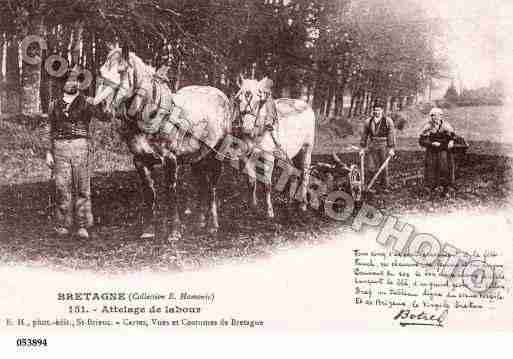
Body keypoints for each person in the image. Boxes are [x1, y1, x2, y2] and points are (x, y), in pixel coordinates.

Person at [45, 68, 110, 239]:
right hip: (59, 149)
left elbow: (106, 116)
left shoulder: (88, 102)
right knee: (62, 188)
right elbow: (50, 129)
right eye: (68, 80)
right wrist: (48, 152)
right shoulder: (54, 104)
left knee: (82, 188)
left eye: (75, 80)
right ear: (62, 84)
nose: (72, 83)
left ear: (79, 83)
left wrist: (103, 99)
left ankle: (83, 226)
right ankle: (63, 225)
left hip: (81, 147)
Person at [419, 107, 456, 197]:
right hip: (432, 152)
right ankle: (431, 188)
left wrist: (451, 141)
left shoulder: (446, 126)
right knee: (431, 169)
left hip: (444, 151)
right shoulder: (427, 127)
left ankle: (446, 188)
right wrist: (431, 143)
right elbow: (422, 140)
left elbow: (452, 136)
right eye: (433, 116)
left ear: (441, 116)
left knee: (444, 168)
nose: (435, 118)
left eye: (437, 115)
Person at [360, 104, 396, 193]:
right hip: (372, 145)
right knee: (370, 166)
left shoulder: (388, 121)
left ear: (382, 111)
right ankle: (370, 186)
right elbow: (364, 135)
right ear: (373, 111)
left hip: (383, 146)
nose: (376, 112)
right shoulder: (368, 121)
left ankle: (385, 186)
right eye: (375, 110)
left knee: (383, 167)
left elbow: (391, 135)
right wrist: (362, 148)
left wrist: (391, 149)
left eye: (378, 110)